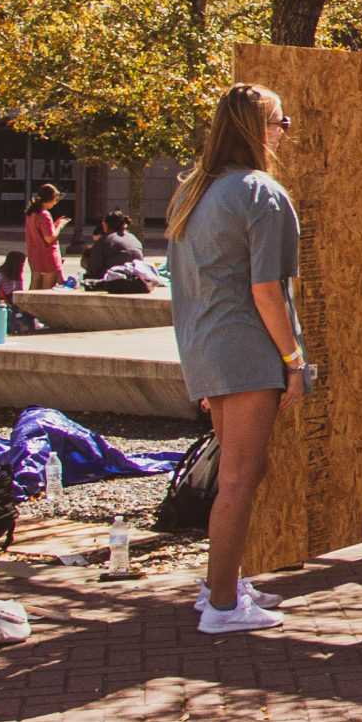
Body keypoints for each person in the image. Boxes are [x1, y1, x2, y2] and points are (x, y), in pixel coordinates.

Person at [167, 83, 303, 636]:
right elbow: (267, 290)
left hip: (206, 348)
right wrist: (293, 358)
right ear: (257, 130)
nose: (284, 131)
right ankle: (222, 604)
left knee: (241, 472)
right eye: (279, 122)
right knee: (241, 478)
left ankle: (220, 584)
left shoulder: (192, 192)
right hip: (246, 350)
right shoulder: (260, 193)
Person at [22, 183, 67, 290]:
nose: (55, 203)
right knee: (47, 290)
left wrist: (54, 225)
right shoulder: (45, 214)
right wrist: (60, 225)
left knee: (35, 286)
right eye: (55, 199)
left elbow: (40, 232)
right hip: (48, 256)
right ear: (49, 199)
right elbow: (49, 238)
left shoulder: (31, 213)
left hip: (34, 254)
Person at [81, 210, 146, 282]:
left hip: (114, 276)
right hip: (137, 275)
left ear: (106, 224)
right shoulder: (133, 237)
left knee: (88, 253)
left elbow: (94, 266)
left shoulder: (105, 240)